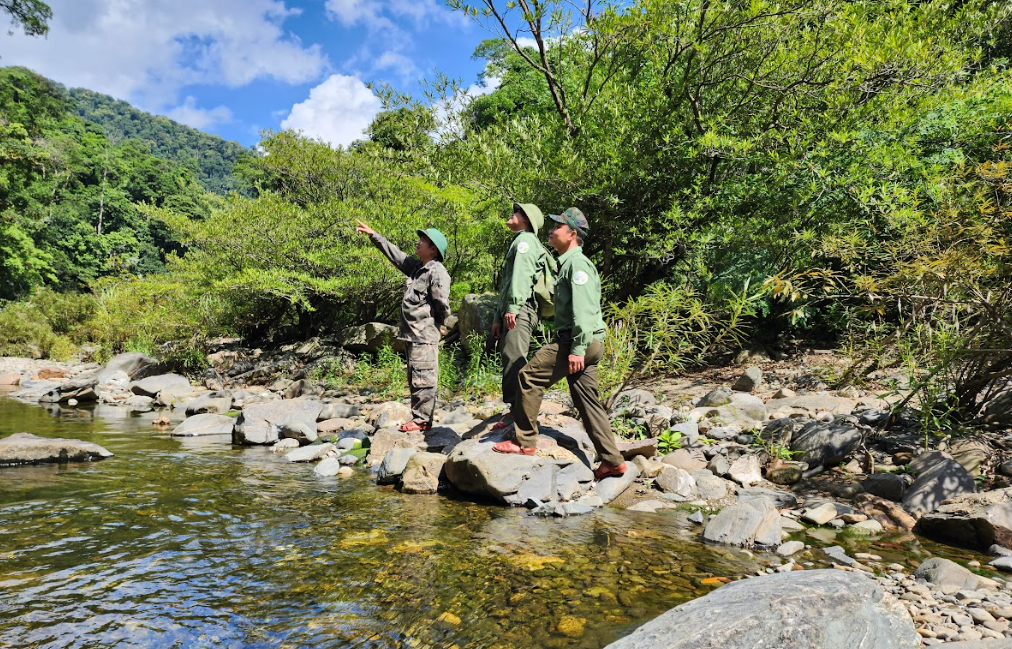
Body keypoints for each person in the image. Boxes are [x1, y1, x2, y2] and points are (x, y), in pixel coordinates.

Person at [492, 207, 627, 479]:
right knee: (586, 400)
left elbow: (584, 310)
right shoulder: (568, 262)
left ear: (572, 234)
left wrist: (576, 349)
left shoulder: (577, 265)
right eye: (551, 226)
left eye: (557, 227)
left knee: (529, 377)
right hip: (589, 342)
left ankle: (524, 442)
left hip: (578, 341)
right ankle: (613, 460)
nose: (551, 231)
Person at [355, 219, 451, 432]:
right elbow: (395, 255)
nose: (418, 242)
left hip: (424, 333)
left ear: (433, 249)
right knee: (414, 375)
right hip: (413, 333)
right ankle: (419, 418)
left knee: (423, 376)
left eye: (423, 240)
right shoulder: (418, 268)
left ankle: (422, 420)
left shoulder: (437, 272)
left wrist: (440, 324)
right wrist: (373, 235)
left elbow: (441, 303)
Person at [491, 202, 549, 431]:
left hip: (522, 308)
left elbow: (522, 278)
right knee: (510, 356)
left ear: (526, 219)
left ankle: (518, 412)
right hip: (516, 308)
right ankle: (515, 409)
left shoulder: (525, 241)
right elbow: (506, 286)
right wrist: (498, 315)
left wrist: (514, 308)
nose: (512, 214)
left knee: (515, 358)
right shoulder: (519, 241)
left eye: (517, 212)